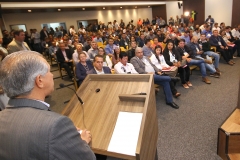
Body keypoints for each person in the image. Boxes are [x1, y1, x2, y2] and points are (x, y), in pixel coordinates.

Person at [0, 51, 95, 159]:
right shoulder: (56, 125)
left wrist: (66, 134)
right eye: (49, 71)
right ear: (40, 80)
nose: (52, 75)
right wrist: (82, 142)